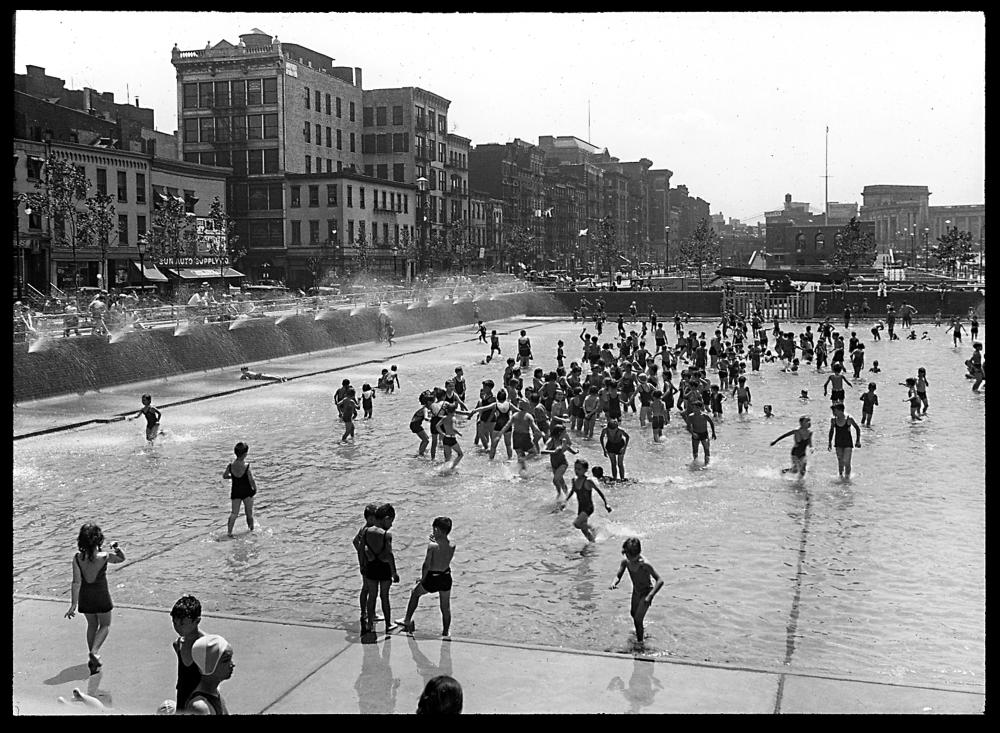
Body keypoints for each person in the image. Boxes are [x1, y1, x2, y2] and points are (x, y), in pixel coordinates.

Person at [64, 523, 125, 675]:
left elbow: (76, 582)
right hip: (101, 596)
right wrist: (116, 548)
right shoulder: (104, 557)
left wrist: (73, 605)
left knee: (92, 625)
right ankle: (95, 652)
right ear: (99, 540)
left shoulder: (77, 558)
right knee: (105, 625)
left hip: (85, 598)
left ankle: (93, 659)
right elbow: (121, 559)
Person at [399, 517, 456, 637]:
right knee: (445, 607)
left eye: (434, 529)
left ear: (437, 529)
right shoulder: (452, 545)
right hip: (446, 576)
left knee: (415, 593)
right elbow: (443, 550)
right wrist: (436, 540)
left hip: (433, 577)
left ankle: (407, 620)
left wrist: (422, 578)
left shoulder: (432, 546)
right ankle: (446, 631)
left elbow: (426, 565)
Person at [609, 538, 664, 646]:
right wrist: (614, 582)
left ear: (638, 553)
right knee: (633, 614)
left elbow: (660, 581)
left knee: (637, 620)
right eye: (627, 555)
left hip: (646, 593)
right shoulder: (626, 562)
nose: (630, 559)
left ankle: (640, 643)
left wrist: (650, 596)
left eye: (632, 557)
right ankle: (641, 631)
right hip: (636, 591)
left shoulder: (644, 564)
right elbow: (618, 575)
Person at [362, 503, 400, 634]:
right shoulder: (386, 535)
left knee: (372, 596)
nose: (391, 525)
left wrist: (363, 565)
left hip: (371, 567)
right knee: (384, 596)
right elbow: (389, 554)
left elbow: (362, 549)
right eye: (391, 521)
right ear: (386, 518)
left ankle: (369, 623)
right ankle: (388, 624)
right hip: (384, 569)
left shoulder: (367, 531)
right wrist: (394, 572)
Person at [562, 459, 612, 542]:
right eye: (575, 469)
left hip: (588, 507)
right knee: (584, 531)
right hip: (580, 508)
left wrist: (606, 504)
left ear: (585, 470)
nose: (576, 471)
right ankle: (593, 544)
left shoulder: (588, 481)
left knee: (577, 524)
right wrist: (565, 501)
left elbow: (599, 491)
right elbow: (572, 491)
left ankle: (594, 528)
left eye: (579, 469)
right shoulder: (574, 480)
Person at [170, 594, 206, 710]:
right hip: (182, 698)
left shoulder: (207, 645)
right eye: (174, 623)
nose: (178, 628)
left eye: (182, 624)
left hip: (201, 701)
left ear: (197, 621)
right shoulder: (178, 645)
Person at [185, 634, 235, 715]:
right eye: (226, 660)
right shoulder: (200, 707)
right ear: (210, 665)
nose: (232, 664)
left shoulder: (215, 695)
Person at [353, 503, 381, 633]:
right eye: (376, 518)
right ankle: (368, 613)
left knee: (367, 589)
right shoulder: (366, 530)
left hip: (364, 563)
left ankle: (365, 612)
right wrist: (363, 555)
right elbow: (356, 542)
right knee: (368, 589)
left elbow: (355, 541)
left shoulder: (364, 529)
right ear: (370, 519)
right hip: (366, 564)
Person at [223, 442, 257, 537]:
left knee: (234, 513)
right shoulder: (246, 466)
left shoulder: (230, 466)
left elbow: (225, 476)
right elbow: (251, 479)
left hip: (236, 491)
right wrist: (255, 489)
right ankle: (251, 530)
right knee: (249, 513)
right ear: (245, 454)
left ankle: (229, 532)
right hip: (247, 492)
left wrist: (233, 477)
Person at [542, 424, 577, 499]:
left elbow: (567, 447)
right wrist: (554, 451)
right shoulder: (551, 441)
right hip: (554, 464)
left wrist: (574, 452)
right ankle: (564, 495)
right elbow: (542, 451)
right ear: (559, 433)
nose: (565, 434)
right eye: (564, 433)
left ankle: (562, 495)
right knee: (561, 482)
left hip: (563, 463)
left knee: (555, 480)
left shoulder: (563, 440)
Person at [828, 403, 862, 479]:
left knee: (847, 462)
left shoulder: (849, 419)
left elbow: (857, 428)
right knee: (840, 462)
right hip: (838, 443)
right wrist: (829, 442)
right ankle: (840, 477)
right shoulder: (833, 420)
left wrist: (858, 441)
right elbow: (831, 431)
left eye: (835, 411)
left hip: (848, 443)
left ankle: (847, 478)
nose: (833, 413)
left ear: (840, 410)